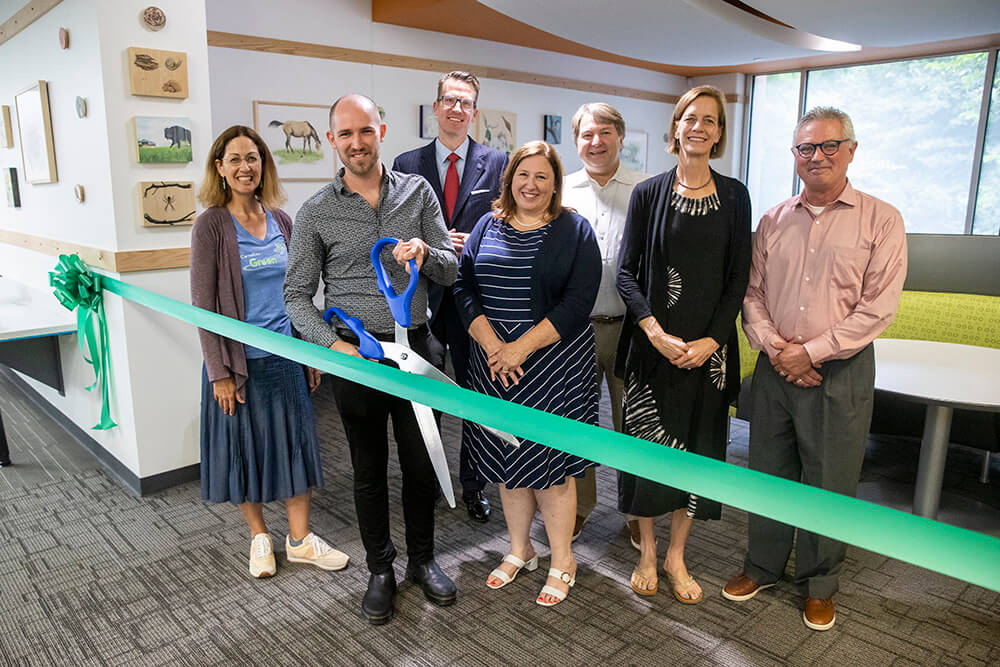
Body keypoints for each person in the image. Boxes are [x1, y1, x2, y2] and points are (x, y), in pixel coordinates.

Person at [725, 106, 907, 631]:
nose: (818, 156)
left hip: (840, 372)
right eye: (807, 148)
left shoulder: (882, 219)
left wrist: (813, 351)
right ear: (795, 156)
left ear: (851, 150)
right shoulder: (773, 219)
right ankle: (762, 566)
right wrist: (777, 347)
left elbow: (878, 307)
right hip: (775, 367)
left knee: (830, 481)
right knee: (769, 473)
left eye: (829, 146)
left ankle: (819, 583)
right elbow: (751, 293)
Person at [283, 94, 459, 625]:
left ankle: (422, 562)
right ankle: (380, 569)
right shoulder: (316, 210)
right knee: (367, 469)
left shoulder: (417, 191)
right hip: (355, 355)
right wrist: (334, 347)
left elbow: (451, 269)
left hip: (417, 345)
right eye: (345, 135)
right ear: (331, 140)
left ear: (381, 130)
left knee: (421, 463)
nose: (356, 143)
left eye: (365, 131)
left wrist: (428, 254)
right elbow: (296, 295)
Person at [190, 125, 348, 580]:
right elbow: (204, 305)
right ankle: (259, 537)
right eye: (235, 159)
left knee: (296, 447)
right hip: (237, 366)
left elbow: (298, 292)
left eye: (253, 158)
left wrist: (308, 353)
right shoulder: (211, 226)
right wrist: (219, 370)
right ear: (219, 168)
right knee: (245, 452)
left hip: (285, 356)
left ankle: (299, 540)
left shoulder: (282, 221)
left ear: (264, 165)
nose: (246, 167)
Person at [616, 86, 751, 603]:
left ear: (719, 133)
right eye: (690, 118)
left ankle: (677, 555)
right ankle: (648, 548)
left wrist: (713, 340)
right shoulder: (647, 194)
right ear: (675, 127)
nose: (699, 127)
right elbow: (627, 274)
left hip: (709, 357)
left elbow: (739, 276)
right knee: (649, 451)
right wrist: (653, 330)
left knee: (696, 451)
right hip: (654, 349)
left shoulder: (736, 196)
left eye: (710, 121)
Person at [453, 140, 601, 607]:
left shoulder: (574, 229)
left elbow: (579, 302)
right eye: (523, 174)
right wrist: (495, 346)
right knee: (508, 464)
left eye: (542, 176)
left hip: (555, 366)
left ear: (555, 183)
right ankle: (521, 549)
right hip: (495, 365)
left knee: (551, 470)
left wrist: (520, 347)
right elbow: (463, 287)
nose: (530, 184)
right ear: (509, 179)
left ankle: (563, 560)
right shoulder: (485, 225)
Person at [392, 71, 508, 524]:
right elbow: (395, 224)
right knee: (427, 394)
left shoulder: (497, 164)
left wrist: (470, 242)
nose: (457, 109)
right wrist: (435, 244)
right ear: (436, 108)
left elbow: (505, 221)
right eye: (449, 101)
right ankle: (430, 480)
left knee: (476, 396)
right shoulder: (406, 162)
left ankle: (474, 484)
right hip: (422, 299)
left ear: (474, 112)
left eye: (466, 103)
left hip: (474, 302)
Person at [562, 102, 649, 547]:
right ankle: (578, 507)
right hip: (574, 332)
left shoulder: (645, 190)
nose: (595, 142)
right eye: (586, 135)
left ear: (620, 136)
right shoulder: (560, 191)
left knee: (631, 425)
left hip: (631, 329)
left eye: (604, 133)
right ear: (576, 140)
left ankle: (637, 512)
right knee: (577, 423)